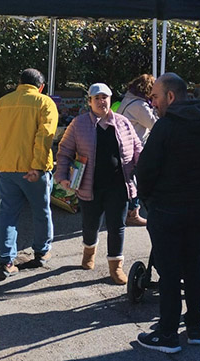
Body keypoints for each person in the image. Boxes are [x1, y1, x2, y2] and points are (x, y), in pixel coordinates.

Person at [135, 73, 200, 353]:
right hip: (199, 208)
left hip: (167, 209)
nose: (153, 102)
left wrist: (148, 198)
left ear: (171, 97)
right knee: (194, 266)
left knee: (171, 273)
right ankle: (195, 326)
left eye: (156, 97)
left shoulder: (165, 128)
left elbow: (145, 170)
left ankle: (167, 335)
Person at [55, 83, 142, 285]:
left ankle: (115, 266)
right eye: (97, 98)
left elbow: (137, 148)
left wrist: (148, 168)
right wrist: (62, 176)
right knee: (90, 225)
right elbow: (65, 151)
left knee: (117, 226)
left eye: (105, 97)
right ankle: (89, 252)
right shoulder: (78, 124)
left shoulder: (123, 123)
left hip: (120, 185)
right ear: (90, 101)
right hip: (89, 186)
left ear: (110, 100)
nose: (101, 101)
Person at [0, 68, 58, 280]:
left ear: (19, 83)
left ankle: (6, 260)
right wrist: (36, 166)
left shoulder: (2, 103)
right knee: (41, 211)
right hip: (33, 169)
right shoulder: (45, 103)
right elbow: (45, 136)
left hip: (6, 167)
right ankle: (41, 251)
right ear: (41, 86)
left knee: (7, 214)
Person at [117, 74, 156, 226]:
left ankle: (128, 210)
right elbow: (155, 125)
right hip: (133, 147)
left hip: (122, 145)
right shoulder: (140, 106)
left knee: (127, 179)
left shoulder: (128, 100)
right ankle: (133, 213)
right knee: (135, 179)